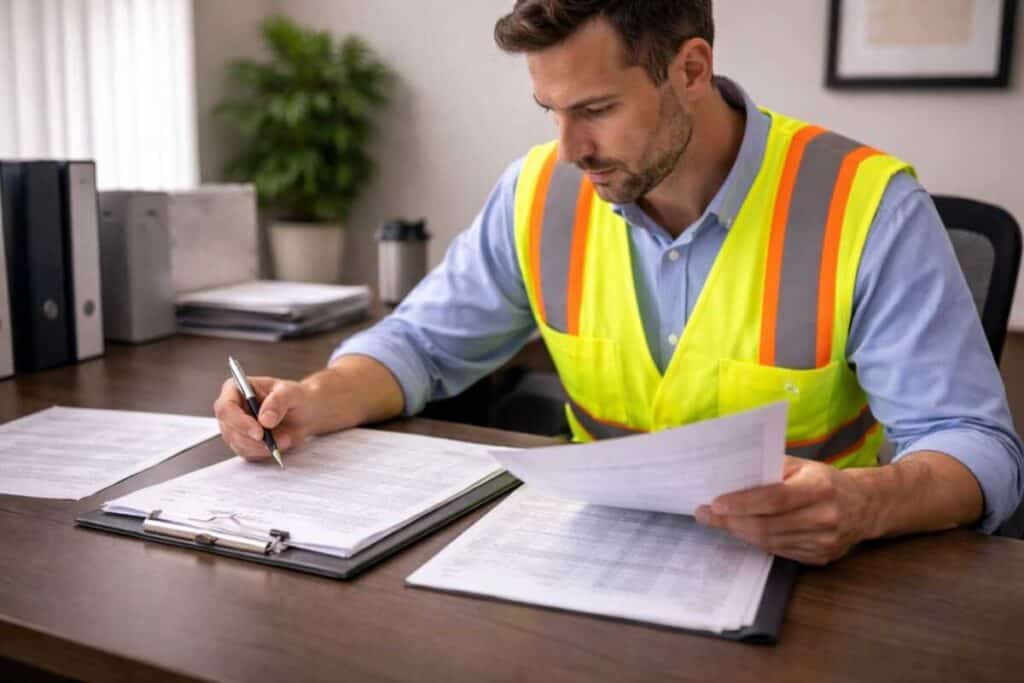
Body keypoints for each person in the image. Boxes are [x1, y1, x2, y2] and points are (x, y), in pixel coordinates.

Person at [214, 0, 1024, 565]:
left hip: (814, 590)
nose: (569, 149)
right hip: (587, 571)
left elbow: (977, 449)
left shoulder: (869, 206)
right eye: (550, 111)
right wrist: (312, 399)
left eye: (595, 108)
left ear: (692, 68)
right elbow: (421, 344)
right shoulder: (538, 192)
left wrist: (861, 505)